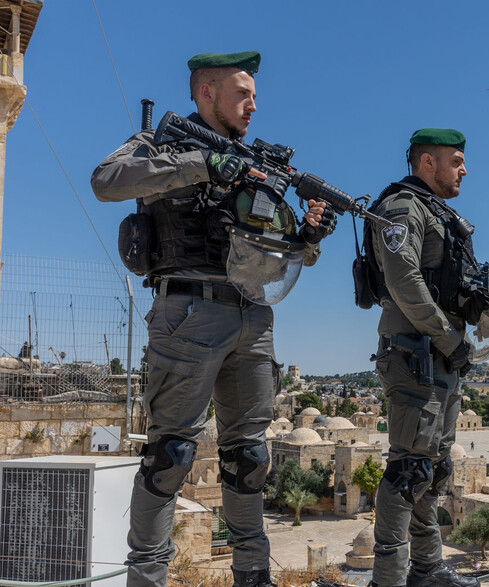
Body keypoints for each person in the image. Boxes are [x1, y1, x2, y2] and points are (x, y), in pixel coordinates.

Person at [91, 51, 336, 587]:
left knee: (248, 456)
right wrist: (203, 164)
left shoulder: (257, 162)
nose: (254, 104)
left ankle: (252, 575)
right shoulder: (165, 141)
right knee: (171, 453)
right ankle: (148, 578)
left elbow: (279, 253)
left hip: (253, 314)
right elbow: (106, 179)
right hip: (188, 311)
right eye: (242, 93)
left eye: (254, 95)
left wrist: (308, 238)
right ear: (206, 92)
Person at [366, 129, 489, 587]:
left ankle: (428, 569)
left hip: (442, 355)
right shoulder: (402, 208)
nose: (464, 169)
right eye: (456, 160)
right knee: (408, 469)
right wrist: (448, 339)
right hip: (416, 352)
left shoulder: (438, 212)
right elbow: (404, 284)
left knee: (434, 467)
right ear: (426, 162)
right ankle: (389, 578)